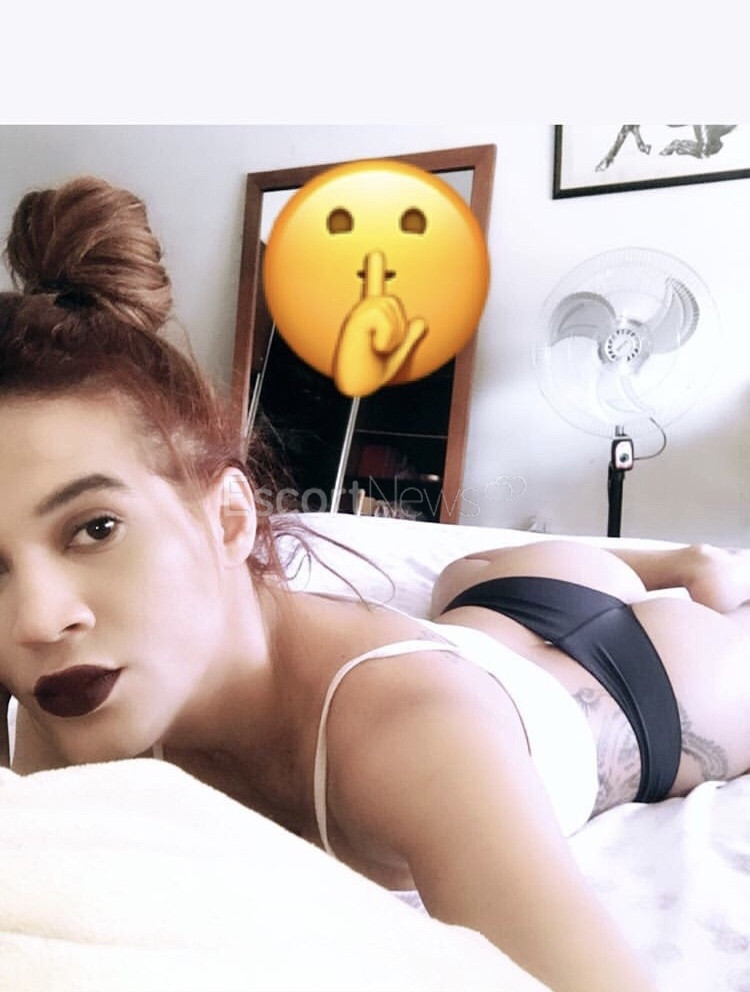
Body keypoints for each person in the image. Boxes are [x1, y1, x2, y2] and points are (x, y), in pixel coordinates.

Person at [1, 177, 748, 992]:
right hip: (481, 614)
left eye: (95, 528)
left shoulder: (411, 736)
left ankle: (692, 570)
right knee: (465, 573)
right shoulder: (66, 695)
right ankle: (651, 564)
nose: (35, 620)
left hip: (631, 673)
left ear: (230, 519)